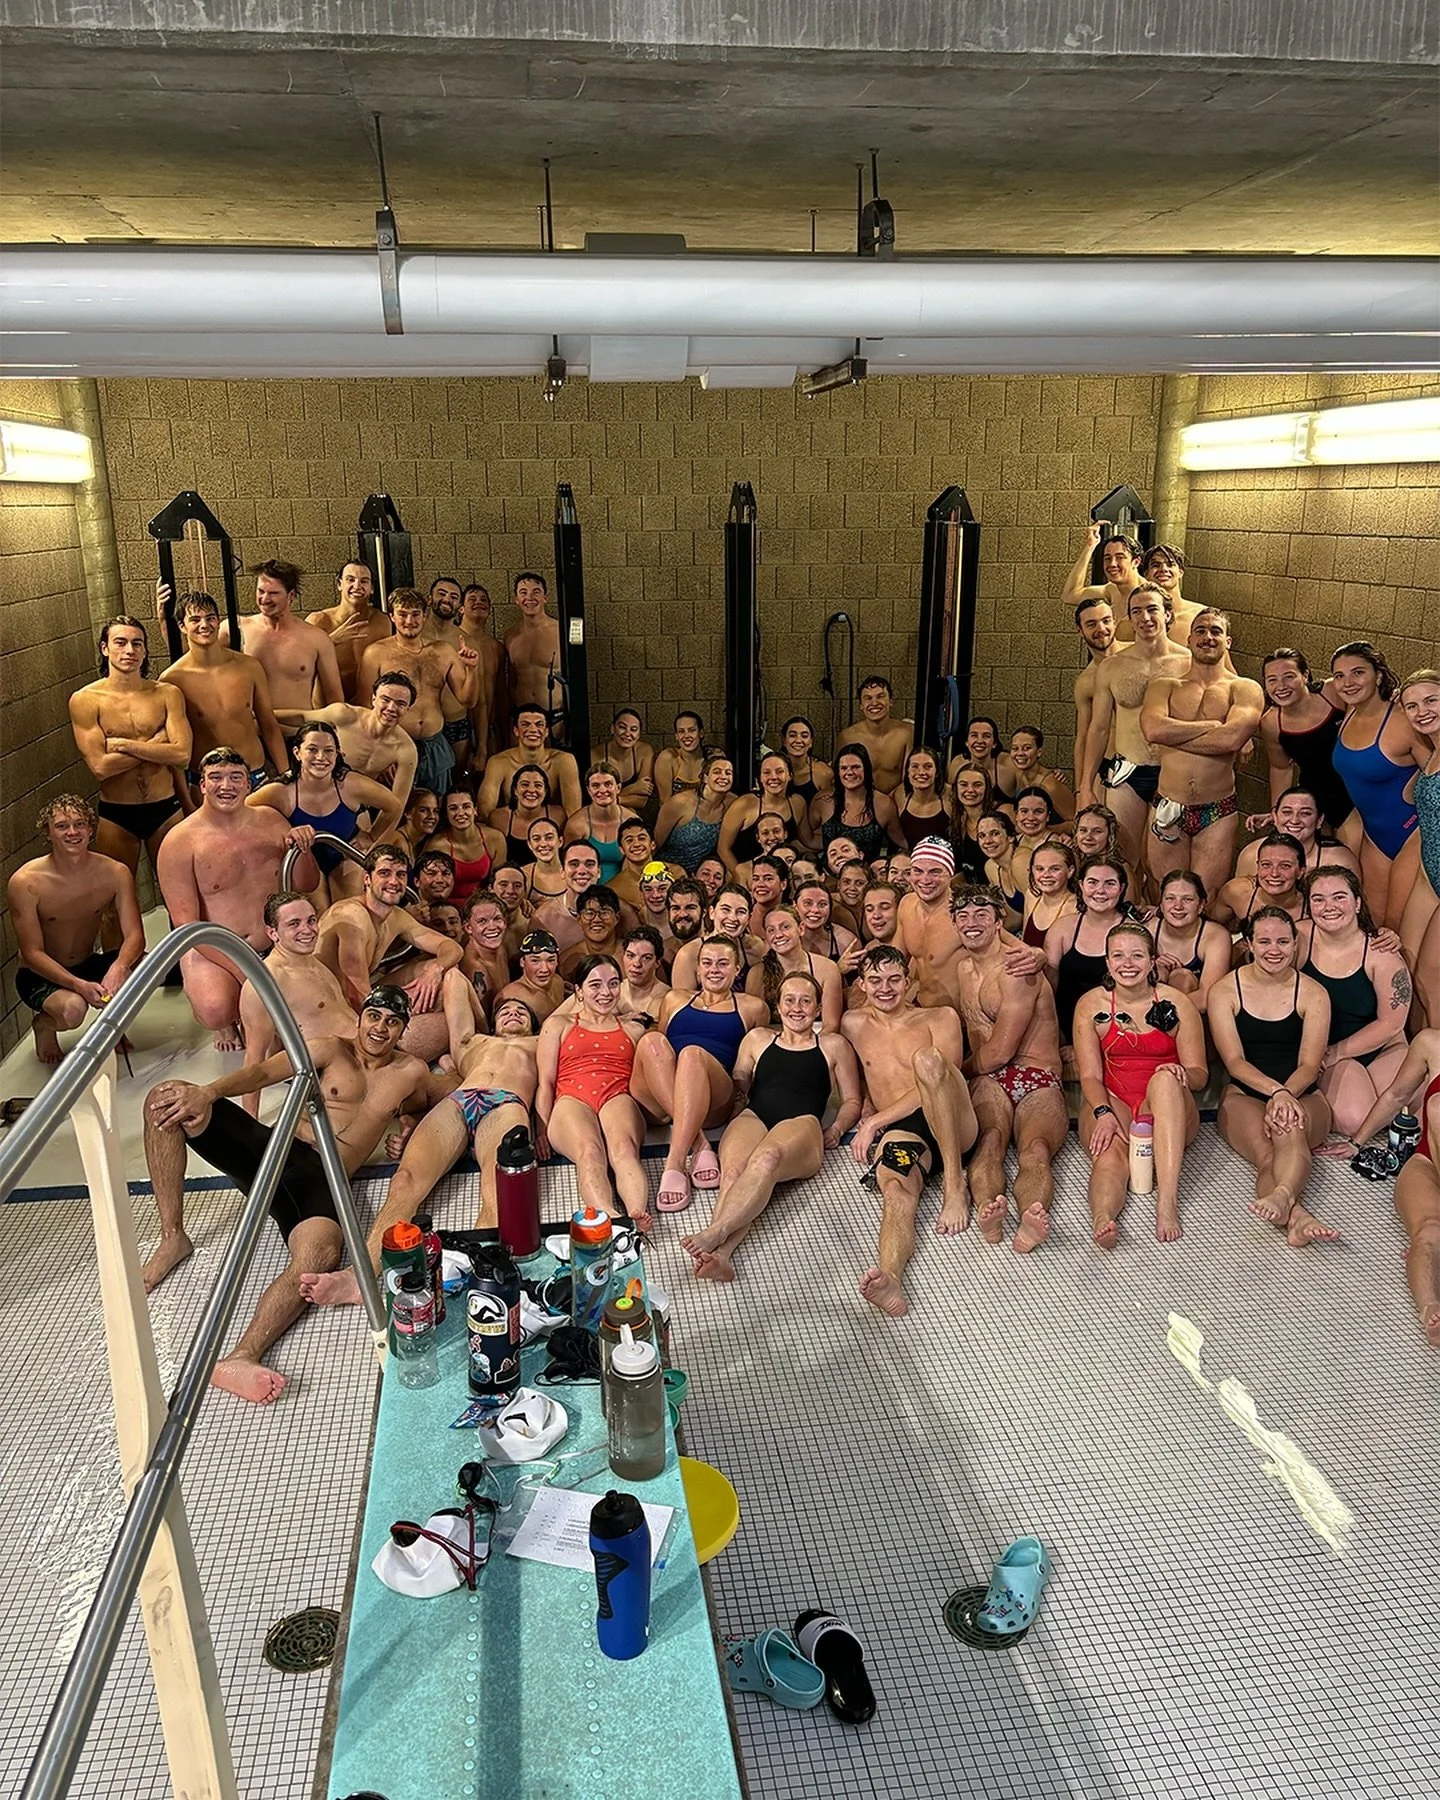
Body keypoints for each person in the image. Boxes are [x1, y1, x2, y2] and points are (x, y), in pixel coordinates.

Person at [142, 987, 433, 1397]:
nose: (380, 1028)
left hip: (323, 1180)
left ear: (403, 1030)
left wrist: (408, 1128)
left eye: (392, 1021)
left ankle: (242, 1356)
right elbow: (263, 1072)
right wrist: (208, 1092)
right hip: (276, 1151)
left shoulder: (411, 1071)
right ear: (360, 1017)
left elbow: (423, 1102)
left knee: (319, 1259)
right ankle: (173, 1236)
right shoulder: (328, 1050)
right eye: (374, 1016)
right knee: (163, 1100)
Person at [302, 971, 542, 1312]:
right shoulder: (471, 1043)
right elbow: (456, 982)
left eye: (522, 1011)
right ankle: (360, 1277)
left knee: (495, 1189)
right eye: (506, 1010)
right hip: (460, 1100)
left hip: (505, 1104)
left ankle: (478, 1276)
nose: (513, 1012)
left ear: (535, 1024)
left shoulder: (542, 1041)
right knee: (405, 1180)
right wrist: (459, 979)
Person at [681, 972, 863, 1282]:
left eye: (806, 1001)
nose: (797, 1007)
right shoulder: (758, 1038)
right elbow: (740, 1082)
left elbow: (852, 1101)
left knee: (766, 1159)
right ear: (778, 1006)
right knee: (734, 1174)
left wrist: (836, 1129)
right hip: (755, 1115)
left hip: (802, 1122)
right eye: (789, 1000)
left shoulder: (833, 1045)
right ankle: (721, 1257)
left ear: (818, 1008)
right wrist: (734, 1114)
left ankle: (716, 1232)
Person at [842, 944, 978, 1316]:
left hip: (952, 1117)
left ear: (909, 982)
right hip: (907, 1132)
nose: (885, 988)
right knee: (897, 1192)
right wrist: (863, 1109)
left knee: (928, 1059)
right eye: (875, 980)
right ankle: (890, 1277)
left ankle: (954, 1184)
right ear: (863, 985)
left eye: (894, 979)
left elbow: (942, 1080)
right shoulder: (853, 1024)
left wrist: (875, 1121)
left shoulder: (940, 1018)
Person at [157, 747, 319, 1051]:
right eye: (215, 778)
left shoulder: (272, 820)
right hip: (215, 949)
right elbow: (186, 926)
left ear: (249, 784)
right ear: (202, 785)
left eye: (235, 778)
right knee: (216, 1009)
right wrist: (246, 973)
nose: (226, 786)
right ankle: (228, 1021)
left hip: (277, 941)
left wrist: (303, 849)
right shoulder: (179, 842)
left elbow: (306, 884)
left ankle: (256, 1003)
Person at [1209, 909, 1338, 1246]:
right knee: (1267, 1153)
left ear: (1295, 945)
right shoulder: (1225, 991)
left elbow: (1310, 1065)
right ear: (1249, 944)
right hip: (1245, 1094)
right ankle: (1296, 1214)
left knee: (1290, 1133)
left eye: (1283, 941)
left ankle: (1284, 1201)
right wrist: (1275, 1092)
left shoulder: (1313, 993)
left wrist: (1286, 1095)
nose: (1274, 950)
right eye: (1264, 941)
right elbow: (1234, 1062)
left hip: (1303, 1093)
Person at [1073, 923, 1206, 1246]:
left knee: (1163, 1080)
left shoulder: (1178, 1003)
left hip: (1166, 1105)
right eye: (1118, 956)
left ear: (1152, 961)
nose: (1127, 964)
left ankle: (1167, 1201)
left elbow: (1200, 1075)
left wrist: (1178, 1074)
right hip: (1114, 1098)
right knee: (1109, 1158)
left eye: (1136, 955)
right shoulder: (1091, 1006)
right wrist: (1103, 1113)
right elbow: (1089, 1075)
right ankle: (1103, 1218)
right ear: (1107, 962)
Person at [952, 886, 1067, 1253]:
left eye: (982, 915)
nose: (972, 924)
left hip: (1036, 1075)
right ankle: (990, 1211)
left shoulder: (1017, 968)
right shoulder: (962, 967)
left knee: (1035, 1150)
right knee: (988, 1143)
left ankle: (1031, 1219)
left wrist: (958, 1073)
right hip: (991, 1079)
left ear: (1000, 921)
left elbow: (1001, 1051)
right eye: (963, 916)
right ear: (954, 923)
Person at [630, 936, 769, 1211]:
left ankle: (675, 1162)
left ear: (737, 969)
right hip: (662, 1097)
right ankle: (700, 1144)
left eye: (723, 963)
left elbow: (754, 1058)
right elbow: (658, 1053)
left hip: (712, 1098)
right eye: (707, 963)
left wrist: (743, 1102)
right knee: (649, 1042)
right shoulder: (674, 999)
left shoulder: (753, 1007)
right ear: (697, 969)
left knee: (691, 1054)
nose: (714, 969)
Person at [8, 795, 145, 1068]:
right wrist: (77, 986)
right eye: (62, 826)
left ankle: (111, 1024)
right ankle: (44, 1026)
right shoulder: (26, 882)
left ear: (91, 829)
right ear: (47, 832)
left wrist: (118, 967)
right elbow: (31, 953)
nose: (72, 832)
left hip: (86, 962)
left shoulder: (114, 872)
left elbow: (135, 936)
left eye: (79, 824)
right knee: (73, 1011)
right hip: (41, 974)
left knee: (144, 968)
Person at [1141, 608, 1263, 893]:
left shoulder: (1245, 688)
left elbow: (1231, 740)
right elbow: (1153, 730)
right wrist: (1211, 725)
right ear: (1188, 639)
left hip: (1216, 811)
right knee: (1169, 895)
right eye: (1201, 631)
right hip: (1168, 805)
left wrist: (1173, 735)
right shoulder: (1164, 686)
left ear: (1228, 642)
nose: (1208, 637)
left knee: (1204, 898)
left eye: (1216, 631)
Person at [314, 843, 461, 1061]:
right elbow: (355, 992)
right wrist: (398, 1018)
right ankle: (464, 1049)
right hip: (331, 1015)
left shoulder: (395, 917)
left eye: (400, 875)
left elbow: (451, 948)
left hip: (363, 1001)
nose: (394, 882)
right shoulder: (352, 916)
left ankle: (463, 1047)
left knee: (449, 976)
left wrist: (435, 969)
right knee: (451, 1023)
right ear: (367, 879)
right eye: (384, 873)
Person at [536, 954, 652, 1230]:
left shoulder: (633, 1029)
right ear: (578, 991)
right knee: (589, 1151)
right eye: (595, 985)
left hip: (616, 1095)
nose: (605, 993)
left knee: (623, 1148)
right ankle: (609, 1217)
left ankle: (636, 1213)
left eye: (613, 984)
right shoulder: (559, 1025)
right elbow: (546, 1081)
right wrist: (540, 1129)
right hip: (572, 1098)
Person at [1079, 585, 1191, 869]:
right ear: (1128, 618)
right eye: (1136, 611)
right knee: (1123, 860)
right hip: (1128, 770)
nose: (1145, 618)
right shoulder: (1113, 667)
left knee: (1165, 865)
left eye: (1152, 609)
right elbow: (1099, 729)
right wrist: (1085, 785)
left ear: (1167, 614)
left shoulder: (1188, 663)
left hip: (1173, 773)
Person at [69, 616, 191, 874]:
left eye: (137, 644)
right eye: (120, 642)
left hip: (165, 808)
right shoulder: (85, 700)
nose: (129, 651)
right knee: (116, 899)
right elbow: (101, 767)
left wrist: (125, 745)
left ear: (145, 650)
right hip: (117, 813)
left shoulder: (167, 694)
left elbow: (181, 755)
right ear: (105, 648)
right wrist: (158, 744)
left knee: (180, 896)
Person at [1341, 1029, 1440, 1346]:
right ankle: (1430, 1309)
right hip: (1427, 1163)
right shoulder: (1431, 1044)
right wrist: (1357, 1142)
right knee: (1427, 1231)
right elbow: (1396, 1095)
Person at [1301, 865, 1412, 1140]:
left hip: (1381, 1047)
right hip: (1327, 1050)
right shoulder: (1298, 938)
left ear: (1357, 902)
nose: (1329, 907)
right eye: (1318, 899)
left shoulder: (1381, 952)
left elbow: (1391, 1024)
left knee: (1410, 1111)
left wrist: (1334, 1052)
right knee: (1356, 1120)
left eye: (1339, 897)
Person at [1331, 640, 1428, 929]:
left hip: (1412, 833)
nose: (1348, 682)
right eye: (1339, 675)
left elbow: (1434, 774)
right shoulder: (1349, 712)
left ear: (1379, 675)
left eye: (1358, 672)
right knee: (1371, 920)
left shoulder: (1403, 721)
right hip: (1375, 835)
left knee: (1396, 925)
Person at [248, 720, 401, 897]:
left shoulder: (351, 785)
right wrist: (280, 835)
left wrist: (373, 836)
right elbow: (242, 813)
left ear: (337, 754)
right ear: (297, 753)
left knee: (348, 911)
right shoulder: (282, 791)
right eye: (312, 750)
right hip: (304, 861)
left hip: (344, 856)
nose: (321, 757)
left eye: (328, 751)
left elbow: (394, 807)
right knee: (318, 914)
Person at [237, 892, 359, 1104]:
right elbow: (254, 1060)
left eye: (311, 920)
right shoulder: (266, 981)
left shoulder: (314, 963)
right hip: (334, 1071)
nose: (307, 930)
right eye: (294, 924)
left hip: (366, 1050)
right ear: (272, 933)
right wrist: (250, 1123)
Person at [357, 586, 480, 799]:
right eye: (402, 614)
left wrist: (471, 669)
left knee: (435, 813)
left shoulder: (442, 651)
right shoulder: (375, 653)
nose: (409, 621)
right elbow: (364, 710)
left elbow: (468, 700)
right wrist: (380, 754)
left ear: (424, 616)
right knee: (397, 812)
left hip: (434, 746)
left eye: (415, 614)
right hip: (395, 745)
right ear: (392, 617)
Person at [159, 589, 288, 786]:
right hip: (205, 781)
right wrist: (186, 800)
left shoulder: (249, 667)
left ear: (218, 621)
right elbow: (172, 747)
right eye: (195, 620)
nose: (204, 625)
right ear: (182, 626)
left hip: (254, 776)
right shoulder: (172, 679)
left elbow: (268, 725)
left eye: (210, 618)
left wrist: (285, 774)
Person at [279, 671, 420, 816]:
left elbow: (397, 804)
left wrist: (373, 837)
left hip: (353, 803)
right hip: (311, 788)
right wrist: (260, 714)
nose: (391, 708)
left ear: (408, 709)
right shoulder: (345, 715)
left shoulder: (406, 750)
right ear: (373, 699)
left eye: (400, 704)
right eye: (385, 700)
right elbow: (302, 717)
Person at [221, 559, 344, 718]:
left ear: (291, 596)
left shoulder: (317, 639)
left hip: (299, 733)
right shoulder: (235, 629)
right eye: (261, 591)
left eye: (273, 593)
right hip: (253, 731)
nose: (265, 599)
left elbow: (335, 701)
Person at [1045, 854, 1132, 1069]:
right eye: (1092, 882)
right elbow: (1047, 991)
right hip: (1065, 1030)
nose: (1100, 891)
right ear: (1081, 886)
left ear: (1121, 889)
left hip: (1117, 1031)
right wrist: (1057, 1038)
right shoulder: (1062, 929)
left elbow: (1136, 999)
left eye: (1109, 883)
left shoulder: (1134, 932)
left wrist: (1088, 1045)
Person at [1256, 649, 1353, 836]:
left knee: (1350, 857)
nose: (1281, 686)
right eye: (1272, 680)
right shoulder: (1271, 723)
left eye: (1289, 676)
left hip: (1354, 792)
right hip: (1315, 796)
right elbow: (1280, 768)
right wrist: (1278, 812)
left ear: (1305, 675)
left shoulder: (1332, 692)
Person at [1398, 668, 1440, 1028]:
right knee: (1405, 965)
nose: (1421, 710)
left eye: (1431, 700)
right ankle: (1412, 1052)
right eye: (1411, 705)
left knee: (1431, 980)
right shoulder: (1431, 753)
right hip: (1430, 875)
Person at [747, 903, 844, 1031]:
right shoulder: (757, 973)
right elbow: (756, 1029)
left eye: (785, 927)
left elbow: (831, 1025)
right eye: (771, 930)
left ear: (801, 929)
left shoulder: (827, 968)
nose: (778, 934)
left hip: (817, 1040)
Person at [309, 560, 394, 702]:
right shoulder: (319, 621)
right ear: (339, 584)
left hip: (365, 711)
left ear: (371, 588)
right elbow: (296, 664)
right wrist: (330, 641)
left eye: (364, 581)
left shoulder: (381, 621)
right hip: (327, 711)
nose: (357, 586)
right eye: (350, 580)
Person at [477, 704, 582, 819]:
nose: (533, 730)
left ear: (546, 732)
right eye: (525, 724)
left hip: (550, 830)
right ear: (516, 731)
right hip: (511, 827)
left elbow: (573, 813)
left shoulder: (564, 761)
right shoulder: (498, 763)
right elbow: (485, 813)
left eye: (539, 725)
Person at [1237, 786, 1359, 883]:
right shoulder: (1251, 855)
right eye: (1287, 812)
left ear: (1319, 820)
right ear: (1275, 816)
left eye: (1305, 813)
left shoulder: (1339, 860)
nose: (1294, 820)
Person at [811, 744, 905, 863]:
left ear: (866, 769)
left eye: (855, 767)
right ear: (838, 772)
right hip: (829, 875)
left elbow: (900, 841)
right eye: (844, 768)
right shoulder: (823, 801)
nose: (849, 772)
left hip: (868, 876)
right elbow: (807, 838)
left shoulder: (883, 804)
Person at [1152, 870, 1230, 1011]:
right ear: (1161, 905)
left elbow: (1207, 997)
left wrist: (1162, 1014)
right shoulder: (1148, 931)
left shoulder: (1215, 936)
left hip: (1193, 1013)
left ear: (1201, 905)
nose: (1178, 906)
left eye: (1187, 899)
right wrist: (1153, 969)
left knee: (1183, 978)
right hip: (1152, 1007)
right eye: (1170, 898)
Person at [719, 752, 807, 868]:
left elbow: (807, 841)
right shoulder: (744, 804)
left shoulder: (797, 803)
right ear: (760, 778)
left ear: (790, 775)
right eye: (766, 773)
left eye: (780, 771)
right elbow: (723, 849)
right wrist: (740, 876)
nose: (773, 777)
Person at [1214, 831, 1308, 939]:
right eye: (1266, 865)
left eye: (1285, 866)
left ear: (1301, 871)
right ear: (1257, 866)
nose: (1274, 874)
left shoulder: (1313, 906)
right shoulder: (1236, 892)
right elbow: (1208, 929)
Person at [655, 748, 733, 874]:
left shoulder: (732, 803)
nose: (723, 777)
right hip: (668, 869)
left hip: (701, 874)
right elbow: (655, 843)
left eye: (728, 773)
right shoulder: (679, 803)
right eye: (717, 772)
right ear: (705, 777)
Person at [670, 883, 761, 991]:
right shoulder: (688, 954)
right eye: (725, 910)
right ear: (712, 913)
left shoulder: (755, 948)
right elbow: (679, 1003)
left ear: (749, 918)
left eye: (741, 912)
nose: (732, 918)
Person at [1072, 597, 1118, 801]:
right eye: (1091, 624)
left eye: (1106, 620)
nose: (1101, 628)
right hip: (1109, 764)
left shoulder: (1136, 658)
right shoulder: (1086, 682)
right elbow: (1083, 738)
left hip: (1147, 762)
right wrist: (1081, 790)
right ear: (1079, 630)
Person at [427, 786, 507, 906]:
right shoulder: (437, 845)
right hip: (447, 908)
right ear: (446, 815)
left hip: (482, 905)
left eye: (466, 807)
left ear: (475, 810)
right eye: (453, 808)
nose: (460, 813)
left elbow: (499, 882)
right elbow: (429, 887)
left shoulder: (495, 838)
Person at [837, 676, 914, 795]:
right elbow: (840, 779)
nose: (874, 703)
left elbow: (910, 779)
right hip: (860, 801)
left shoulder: (907, 733)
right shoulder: (847, 737)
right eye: (868, 698)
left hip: (897, 800)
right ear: (861, 706)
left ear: (891, 701)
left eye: (880, 696)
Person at [1060, 524, 1144, 631]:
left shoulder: (1150, 594)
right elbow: (1069, 595)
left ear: (1136, 562)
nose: (1112, 564)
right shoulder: (1111, 590)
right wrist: (1090, 547)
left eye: (1120, 557)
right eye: (1107, 558)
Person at [459, 582, 509, 762]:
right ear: (461, 609)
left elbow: (501, 694)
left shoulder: (496, 647)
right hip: (460, 731)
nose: (478, 602)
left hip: (491, 729)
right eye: (472, 599)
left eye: (483, 600)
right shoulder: (450, 642)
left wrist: (505, 733)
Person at [565, 762, 639, 882]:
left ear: (618, 788)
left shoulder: (631, 821)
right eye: (595, 786)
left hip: (623, 889)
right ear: (589, 790)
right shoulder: (576, 825)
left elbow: (638, 864)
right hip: (585, 890)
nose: (602, 790)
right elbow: (569, 866)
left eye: (608, 784)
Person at [531, 840, 607, 955]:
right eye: (574, 864)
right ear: (562, 872)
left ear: (599, 871)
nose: (582, 871)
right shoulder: (543, 919)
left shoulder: (619, 911)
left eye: (589, 864)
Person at [504, 571, 562, 716]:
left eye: (536, 592)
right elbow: (511, 682)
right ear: (516, 599)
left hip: (554, 715)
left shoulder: (560, 631)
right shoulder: (510, 636)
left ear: (545, 598)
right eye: (523, 592)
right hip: (521, 715)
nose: (529, 597)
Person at [490, 762, 567, 867]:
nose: (531, 790)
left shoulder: (558, 815)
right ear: (515, 790)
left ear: (545, 791)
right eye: (524, 784)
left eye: (538, 785)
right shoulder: (499, 818)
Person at [998, 725, 1075, 818]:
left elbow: (1074, 823)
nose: (1020, 753)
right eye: (1015, 748)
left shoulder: (1051, 785)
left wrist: (1042, 830)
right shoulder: (1018, 774)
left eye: (1027, 748)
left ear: (1039, 752)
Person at [593, 708, 657, 817]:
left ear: (639, 734)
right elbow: (596, 800)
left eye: (633, 729)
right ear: (612, 729)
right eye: (622, 727)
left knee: (630, 813)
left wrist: (615, 799)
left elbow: (642, 800)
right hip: (600, 812)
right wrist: (633, 787)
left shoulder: (644, 752)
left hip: (629, 810)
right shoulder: (595, 756)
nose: (628, 733)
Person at [1136, 544, 1204, 642]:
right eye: (1156, 565)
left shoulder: (1200, 616)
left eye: (1170, 564)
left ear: (1181, 571)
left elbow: (1222, 656)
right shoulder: (1136, 620)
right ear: (1146, 573)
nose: (1163, 569)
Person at [460, 889, 514, 1009]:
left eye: (497, 919)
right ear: (468, 927)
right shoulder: (476, 969)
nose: (492, 927)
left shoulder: (501, 948)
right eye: (482, 921)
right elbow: (480, 1020)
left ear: (505, 922)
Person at [945, 761, 998, 882]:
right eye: (963, 784)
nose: (970, 790)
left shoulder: (997, 819)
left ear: (987, 789)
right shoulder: (957, 822)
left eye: (977, 785)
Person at [559, 885, 625, 979]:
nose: (597, 919)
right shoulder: (566, 961)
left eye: (604, 913)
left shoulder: (632, 957)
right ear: (579, 919)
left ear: (617, 918)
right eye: (589, 913)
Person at [1022, 841, 1078, 950]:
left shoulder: (1076, 908)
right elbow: (1024, 943)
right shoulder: (1031, 896)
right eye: (1040, 869)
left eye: (1055, 869)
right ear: (1032, 870)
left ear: (1070, 871)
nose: (1046, 875)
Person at [1010, 787, 1067, 893]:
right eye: (1024, 811)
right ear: (1016, 815)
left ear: (1048, 816)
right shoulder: (1012, 841)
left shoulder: (1057, 845)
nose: (1030, 817)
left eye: (1038, 812)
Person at [895, 746, 950, 850]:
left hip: (941, 862)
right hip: (908, 862)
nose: (921, 772)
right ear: (907, 772)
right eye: (915, 766)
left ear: (937, 772)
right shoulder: (899, 795)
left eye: (928, 766)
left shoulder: (949, 797)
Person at [793, 878, 857, 967]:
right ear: (795, 906)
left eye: (822, 904)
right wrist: (837, 970)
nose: (815, 910)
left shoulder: (846, 941)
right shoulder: (784, 940)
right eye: (808, 903)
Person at [778, 715, 833, 810]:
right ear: (784, 740)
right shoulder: (773, 770)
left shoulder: (823, 773)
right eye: (792, 735)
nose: (798, 740)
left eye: (804, 736)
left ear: (811, 742)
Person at [653, 710, 708, 803]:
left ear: (701, 733)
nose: (686, 735)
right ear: (676, 736)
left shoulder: (712, 758)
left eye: (692, 730)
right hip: (676, 814)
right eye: (681, 731)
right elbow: (665, 803)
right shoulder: (668, 758)